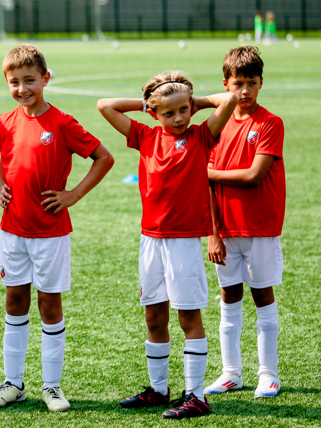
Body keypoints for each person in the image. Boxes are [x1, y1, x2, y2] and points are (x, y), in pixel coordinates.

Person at [97, 71, 238, 419]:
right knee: (154, 316)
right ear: (154, 114)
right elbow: (105, 106)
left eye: (183, 110)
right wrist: (149, 103)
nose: (178, 118)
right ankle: (159, 390)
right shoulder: (145, 136)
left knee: (188, 317)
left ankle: (196, 396)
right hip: (150, 241)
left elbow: (229, 100)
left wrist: (194, 101)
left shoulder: (201, 136)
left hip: (183, 243)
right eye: (168, 113)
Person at [0, 44, 114, 412]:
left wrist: (73, 194)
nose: (22, 88)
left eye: (29, 80)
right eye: (14, 82)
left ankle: (52, 386)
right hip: (12, 230)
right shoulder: (3, 122)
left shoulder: (63, 123)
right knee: (14, 300)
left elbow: (104, 158)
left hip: (51, 233)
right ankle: (13, 383)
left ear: (45, 79)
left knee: (49, 304)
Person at [202, 46, 286, 399]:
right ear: (226, 84)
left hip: (260, 227)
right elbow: (205, 189)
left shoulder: (270, 123)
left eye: (252, 82)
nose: (245, 90)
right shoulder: (215, 126)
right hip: (225, 230)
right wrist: (213, 234)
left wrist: (209, 173)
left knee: (262, 295)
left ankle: (268, 374)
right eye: (238, 84)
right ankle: (231, 373)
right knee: (229, 297)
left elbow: (254, 175)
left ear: (261, 82)